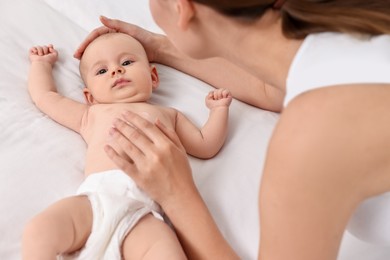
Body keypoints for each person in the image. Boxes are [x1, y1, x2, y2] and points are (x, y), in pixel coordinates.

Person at [74, 1, 390, 259]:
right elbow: (270, 89)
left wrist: (176, 193)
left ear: (181, 8)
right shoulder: (357, 25)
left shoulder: (310, 139)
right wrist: (160, 47)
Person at [22, 32, 232, 260]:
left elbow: (206, 145)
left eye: (127, 62)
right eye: (102, 71)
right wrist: (41, 65)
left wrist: (218, 111)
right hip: (95, 202)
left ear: (153, 77)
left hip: (143, 214)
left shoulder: (169, 115)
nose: (116, 70)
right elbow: (46, 97)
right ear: (90, 96)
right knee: (38, 231)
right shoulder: (91, 115)